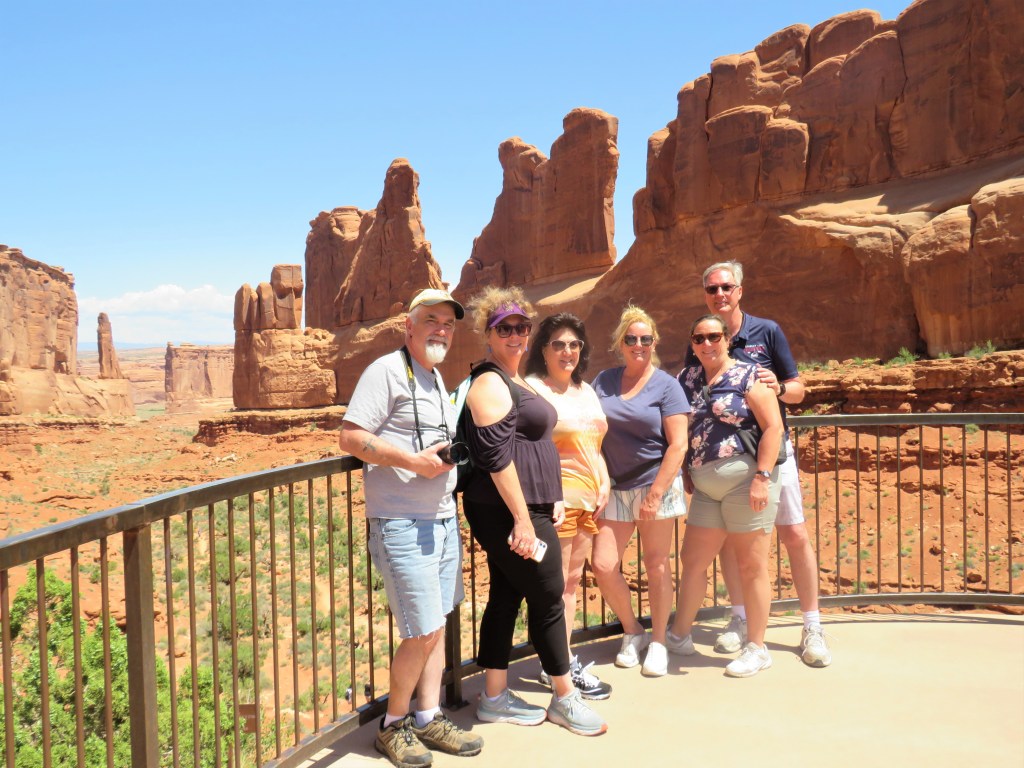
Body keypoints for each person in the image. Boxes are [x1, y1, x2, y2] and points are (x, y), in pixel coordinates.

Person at [338, 288, 483, 768]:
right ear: (409, 326)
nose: (441, 329)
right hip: (401, 522)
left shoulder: (435, 378)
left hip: (441, 519)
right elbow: (351, 437)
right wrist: (411, 462)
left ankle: (428, 715)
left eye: (448, 323)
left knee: (436, 625)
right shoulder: (385, 371)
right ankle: (392, 725)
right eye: (431, 320)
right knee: (421, 629)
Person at [461, 287, 607, 737]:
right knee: (548, 597)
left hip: (532, 505)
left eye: (522, 327)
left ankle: (493, 697)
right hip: (507, 511)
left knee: (506, 597)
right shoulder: (489, 382)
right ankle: (564, 697)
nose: (515, 335)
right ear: (488, 333)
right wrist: (524, 519)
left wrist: (552, 494)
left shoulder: (517, 379)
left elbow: (535, 444)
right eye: (504, 328)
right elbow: (496, 458)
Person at [683, 261, 832, 667]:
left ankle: (812, 625)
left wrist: (777, 387)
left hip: (771, 457)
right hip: (726, 465)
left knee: (794, 533)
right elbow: (693, 394)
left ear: (740, 290)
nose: (719, 294)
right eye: (712, 288)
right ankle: (741, 617)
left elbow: (799, 390)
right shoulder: (702, 335)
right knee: (734, 543)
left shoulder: (766, 331)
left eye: (726, 287)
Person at [667, 314, 783, 677]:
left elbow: (773, 427)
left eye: (714, 336)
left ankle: (757, 648)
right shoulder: (686, 379)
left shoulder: (749, 375)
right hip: (706, 487)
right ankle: (678, 635)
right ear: (692, 342)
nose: (706, 344)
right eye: (698, 338)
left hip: (746, 483)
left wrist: (762, 477)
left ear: (727, 339)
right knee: (693, 559)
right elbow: (685, 430)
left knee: (752, 565)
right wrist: (687, 470)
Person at [591, 304, 690, 678]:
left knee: (656, 563)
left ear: (654, 342)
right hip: (615, 487)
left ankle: (660, 642)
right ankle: (634, 631)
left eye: (645, 339)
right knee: (603, 564)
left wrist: (655, 494)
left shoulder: (667, 385)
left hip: (655, 483)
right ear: (620, 342)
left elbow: (678, 444)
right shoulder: (604, 381)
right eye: (631, 339)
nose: (638, 345)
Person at [524, 313, 612, 700]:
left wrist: (604, 479)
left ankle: (561, 660)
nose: (567, 351)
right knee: (554, 589)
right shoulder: (533, 390)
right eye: (558, 344)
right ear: (543, 350)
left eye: (574, 344)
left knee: (571, 584)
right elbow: (527, 449)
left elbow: (593, 443)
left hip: (588, 503)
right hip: (555, 505)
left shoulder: (585, 389)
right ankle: (556, 666)